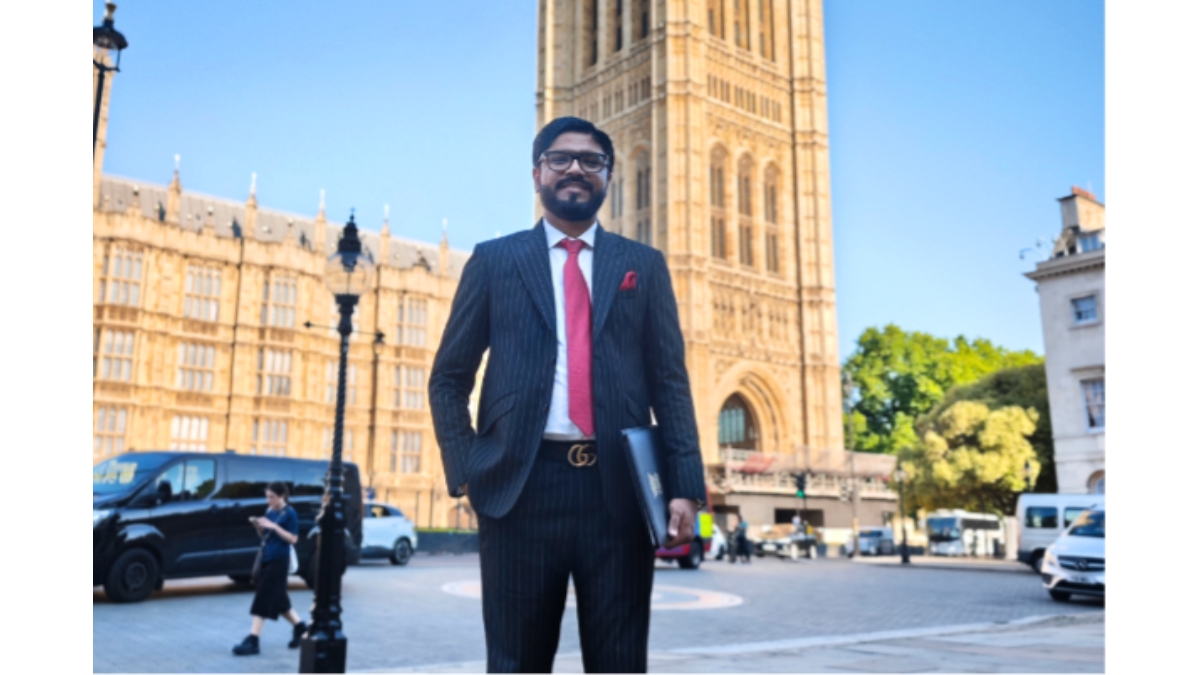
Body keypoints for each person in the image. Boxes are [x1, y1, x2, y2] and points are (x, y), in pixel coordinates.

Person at [429, 116, 707, 673]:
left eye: (591, 160)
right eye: (560, 159)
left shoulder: (643, 265)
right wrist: (469, 468)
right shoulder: (495, 260)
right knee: (516, 663)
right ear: (537, 175)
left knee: (619, 662)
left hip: (619, 490)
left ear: (608, 177)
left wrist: (685, 487)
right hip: (521, 486)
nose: (575, 168)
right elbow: (449, 378)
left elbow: (670, 385)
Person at [232, 481, 307, 656]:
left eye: (272, 497)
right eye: (267, 497)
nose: (269, 500)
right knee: (279, 599)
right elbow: (265, 536)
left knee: (263, 597)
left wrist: (274, 526)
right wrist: (258, 526)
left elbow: (293, 539)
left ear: (282, 496)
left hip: (280, 560)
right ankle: (300, 627)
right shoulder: (269, 511)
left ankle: (253, 640)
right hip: (266, 557)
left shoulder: (290, 513)